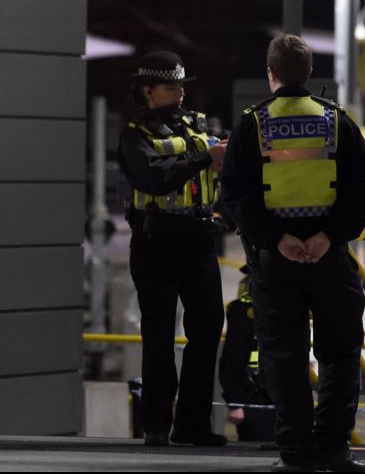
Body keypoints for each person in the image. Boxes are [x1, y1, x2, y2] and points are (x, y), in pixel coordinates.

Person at [221, 35, 365, 472]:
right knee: (340, 354)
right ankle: (332, 449)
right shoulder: (336, 121)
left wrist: (275, 238)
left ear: (270, 73)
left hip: (275, 262)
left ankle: (295, 455)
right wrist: (329, 235)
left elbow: (233, 192)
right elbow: (363, 189)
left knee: (284, 357)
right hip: (330, 258)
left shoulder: (253, 123)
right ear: (309, 73)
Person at [117, 50, 228, 447]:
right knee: (159, 334)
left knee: (208, 327)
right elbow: (153, 178)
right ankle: (156, 426)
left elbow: (217, 173)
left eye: (182, 85)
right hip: (156, 240)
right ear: (147, 91)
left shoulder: (196, 125)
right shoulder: (134, 135)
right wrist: (205, 157)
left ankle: (192, 424)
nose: (180, 92)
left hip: (198, 237)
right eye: (170, 86)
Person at [218, 266, 276, 442]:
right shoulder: (244, 312)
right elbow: (232, 361)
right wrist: (235, 402)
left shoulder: (287, 307)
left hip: (278, 399)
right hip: (255, 400)